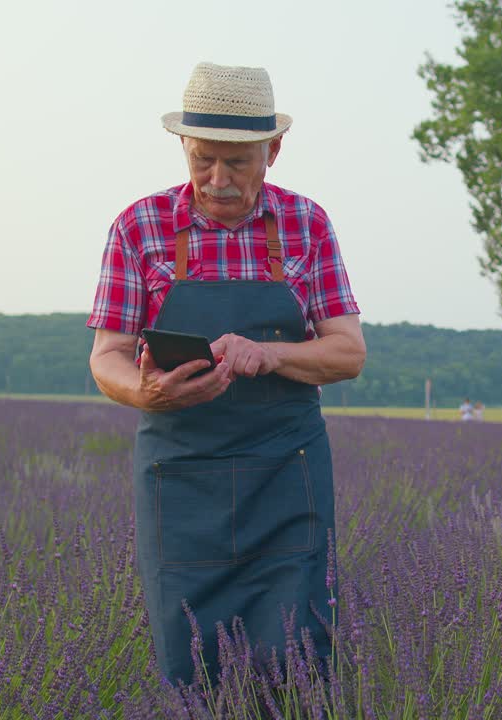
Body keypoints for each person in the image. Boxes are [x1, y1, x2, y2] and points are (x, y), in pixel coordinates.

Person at [87, 63, 366, 684]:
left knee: (297, 658)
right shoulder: (139, 227)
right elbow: (107, 357)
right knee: (190, 662)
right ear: (183, 146)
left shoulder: (307, 224)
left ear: (273, 150)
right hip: (181, 480)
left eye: (237, 162)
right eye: (202, 159)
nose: (218, 180)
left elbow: (348, 353)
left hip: (285, 477)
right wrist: (147, 392)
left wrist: (270, 354)